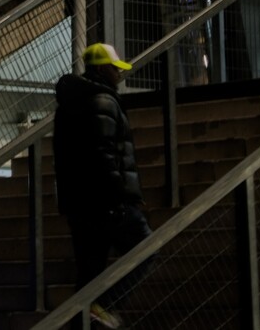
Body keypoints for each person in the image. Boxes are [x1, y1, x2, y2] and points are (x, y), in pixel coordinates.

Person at [53, 42, 154, 329]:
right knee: (147, 248)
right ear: (100, 68)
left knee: (89, 277)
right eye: (114, 68)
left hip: (79, 207)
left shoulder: (69, 106)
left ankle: (83, 320)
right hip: (109, 203)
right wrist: (123, 195)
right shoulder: (104, 102)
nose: (118, 74)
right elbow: (105, 155)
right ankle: (107, 307)